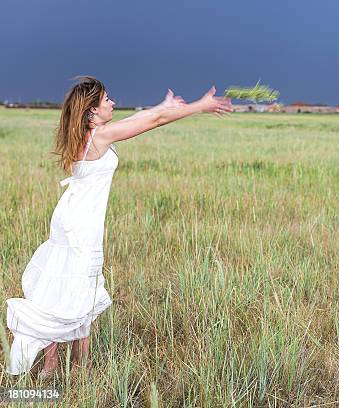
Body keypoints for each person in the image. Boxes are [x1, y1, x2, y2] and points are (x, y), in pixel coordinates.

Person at [5, 76, 232, 379]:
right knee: (75, 289)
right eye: (106, 99)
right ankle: (66, 365)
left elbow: (145, 117)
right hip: (80, 226)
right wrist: (199, 106)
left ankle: (56, 364)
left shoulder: (85, 135)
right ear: (92, 112)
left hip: (70, 220)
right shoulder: (98, 138)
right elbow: (153, 121)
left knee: (61, 288)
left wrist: (162, 106)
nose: (112, 102)